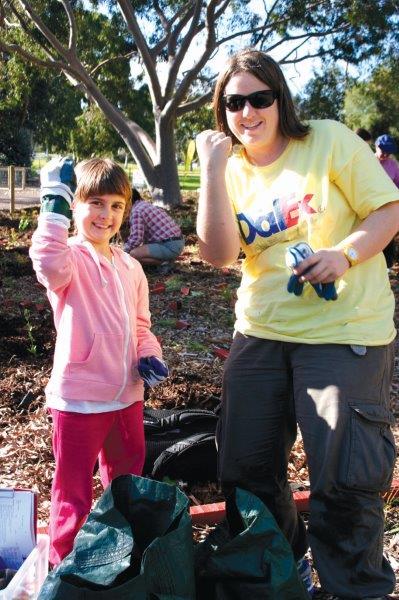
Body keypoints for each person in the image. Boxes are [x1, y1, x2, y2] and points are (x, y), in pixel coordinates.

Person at [196, 48, 399, 599]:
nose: (247, 112)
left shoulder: (328, 140)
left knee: (345, 477)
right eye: (234, 102)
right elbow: (218, 252)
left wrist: (345, 255)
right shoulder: (230, 169)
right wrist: (212, 169)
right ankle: (285, 571)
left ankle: (355, 588)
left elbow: (388, 210)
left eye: (259, 98)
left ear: (279, 98)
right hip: (261, 332)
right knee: (245, 470)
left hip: (344, 332)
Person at [29, 157, 168, 566]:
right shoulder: (69, 258)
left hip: (127, 396)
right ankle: (63, 568)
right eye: (96, 203)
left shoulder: (130, 267)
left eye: (116, 206)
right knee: (73, 493)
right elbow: (47, 262)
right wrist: (53, 202)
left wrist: (149, 354)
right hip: (79, 401)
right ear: (76, 206)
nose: (106, 215)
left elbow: (141, 325)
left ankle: (120, 559)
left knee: (126, 486)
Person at [124, 188, 184, 268]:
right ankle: (167, 259)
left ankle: (165, 263)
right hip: (176, 243)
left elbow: (136, 239)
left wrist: (123, 253)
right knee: (135, 252)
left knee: (134, 254)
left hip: (168, 245)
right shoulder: (143, 205)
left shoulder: (136, 212)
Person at [375, 134, 399, 268]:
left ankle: (387, 266)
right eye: (383, 150)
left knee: (388, 238)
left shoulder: (393, 165)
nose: (385, 154)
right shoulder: (367, 161)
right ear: (376, 146)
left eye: (388, 152)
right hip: (371, 206)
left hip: (388, 206)